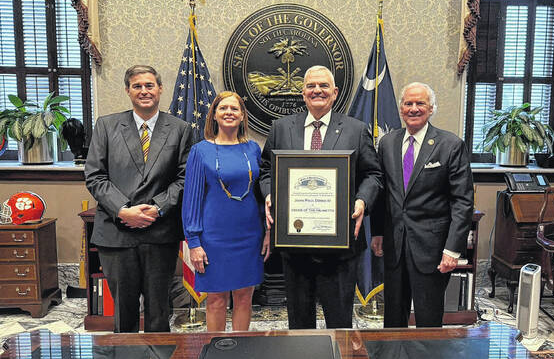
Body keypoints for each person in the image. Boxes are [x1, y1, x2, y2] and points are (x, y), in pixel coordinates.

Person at [259, 65, 383, 329]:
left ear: (335, 92)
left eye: (324, 86)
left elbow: (373, 174)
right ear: (303, 93)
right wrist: (270, 195)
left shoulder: (356, 129)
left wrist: (361, 201)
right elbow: (265, 171)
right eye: (311, 86)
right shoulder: (281, 128)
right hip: (295, 245)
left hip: (339, 247)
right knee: (299, 322)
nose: (317, 90)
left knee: (338, 322)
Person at [85, 65, 194, 332]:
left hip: (159, 232)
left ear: (159, 89)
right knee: (124, 312)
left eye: (149, 85)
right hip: (117, 233)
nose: (144, 91)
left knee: (159, 311)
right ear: (128, 91)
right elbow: (95, 176)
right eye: (137, 86)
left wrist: (157, 208)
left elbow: (185, 178)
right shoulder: (107, 126)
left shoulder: (180, 129)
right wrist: (123, 210)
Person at [371, 82, 473, 328]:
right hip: (395, 246)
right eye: (408, 103)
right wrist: (377, 232)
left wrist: (452, 249)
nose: (413, 109)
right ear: (400, 108)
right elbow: (383, 193)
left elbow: (462, 201)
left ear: (431, 109)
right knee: (393, 320)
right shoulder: (387, 143)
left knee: (428, 321)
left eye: (420, 104)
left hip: (431, 249)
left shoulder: (450, 145)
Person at [182, 91, 270, 331]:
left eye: (234, 109)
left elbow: (261, 196)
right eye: (223, 108)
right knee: (217, 300)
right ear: (214, 115)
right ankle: (216, 354)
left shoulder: (252, 149)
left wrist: (268, 233)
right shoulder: (200, 151)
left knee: (244, 298)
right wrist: (194, 242)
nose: (229, 113)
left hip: (249, 236)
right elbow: (191, 200)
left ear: (242, 116)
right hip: (213, 239)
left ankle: (240, 353)